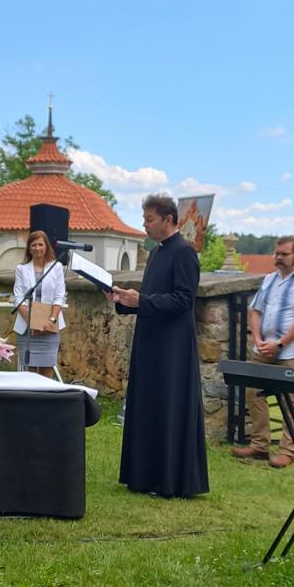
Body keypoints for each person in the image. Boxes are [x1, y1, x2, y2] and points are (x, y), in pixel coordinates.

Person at [108, 194, 208, 498]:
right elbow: (150, 298)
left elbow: (183, 300)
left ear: (168, 219)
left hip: (172, 347)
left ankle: (168, 480)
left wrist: (142, 300)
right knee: (147, 405)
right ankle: (143, 476)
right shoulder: (156, 253)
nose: (145, 224)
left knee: (167, 407)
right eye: (144, 219)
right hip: (150, 341)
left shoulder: (184, 252)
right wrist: (123, 301)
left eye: (149, 219)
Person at [232, 236, 294, 468]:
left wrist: (280, 344)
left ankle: (287, 451)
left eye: (284, 254)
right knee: (253, 392)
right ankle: (259, 445)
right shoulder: (270, 279)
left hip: (291, 352)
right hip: (263, 349)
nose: (278, 258)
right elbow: (255, 310)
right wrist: (258, 339)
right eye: (276, 253)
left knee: (291, 401)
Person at [13, 230, 66, 378]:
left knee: (46, 373)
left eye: (40, 244)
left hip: (49, 326)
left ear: (46, 246)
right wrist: (33, 323)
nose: (37, 248)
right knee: (29, 374)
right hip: (27, 328)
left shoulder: (56, 267)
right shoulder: (21, 269)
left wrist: (51, 320)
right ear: (29, 249)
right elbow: (18, 298)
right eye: (34, 245)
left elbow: (59, 296)